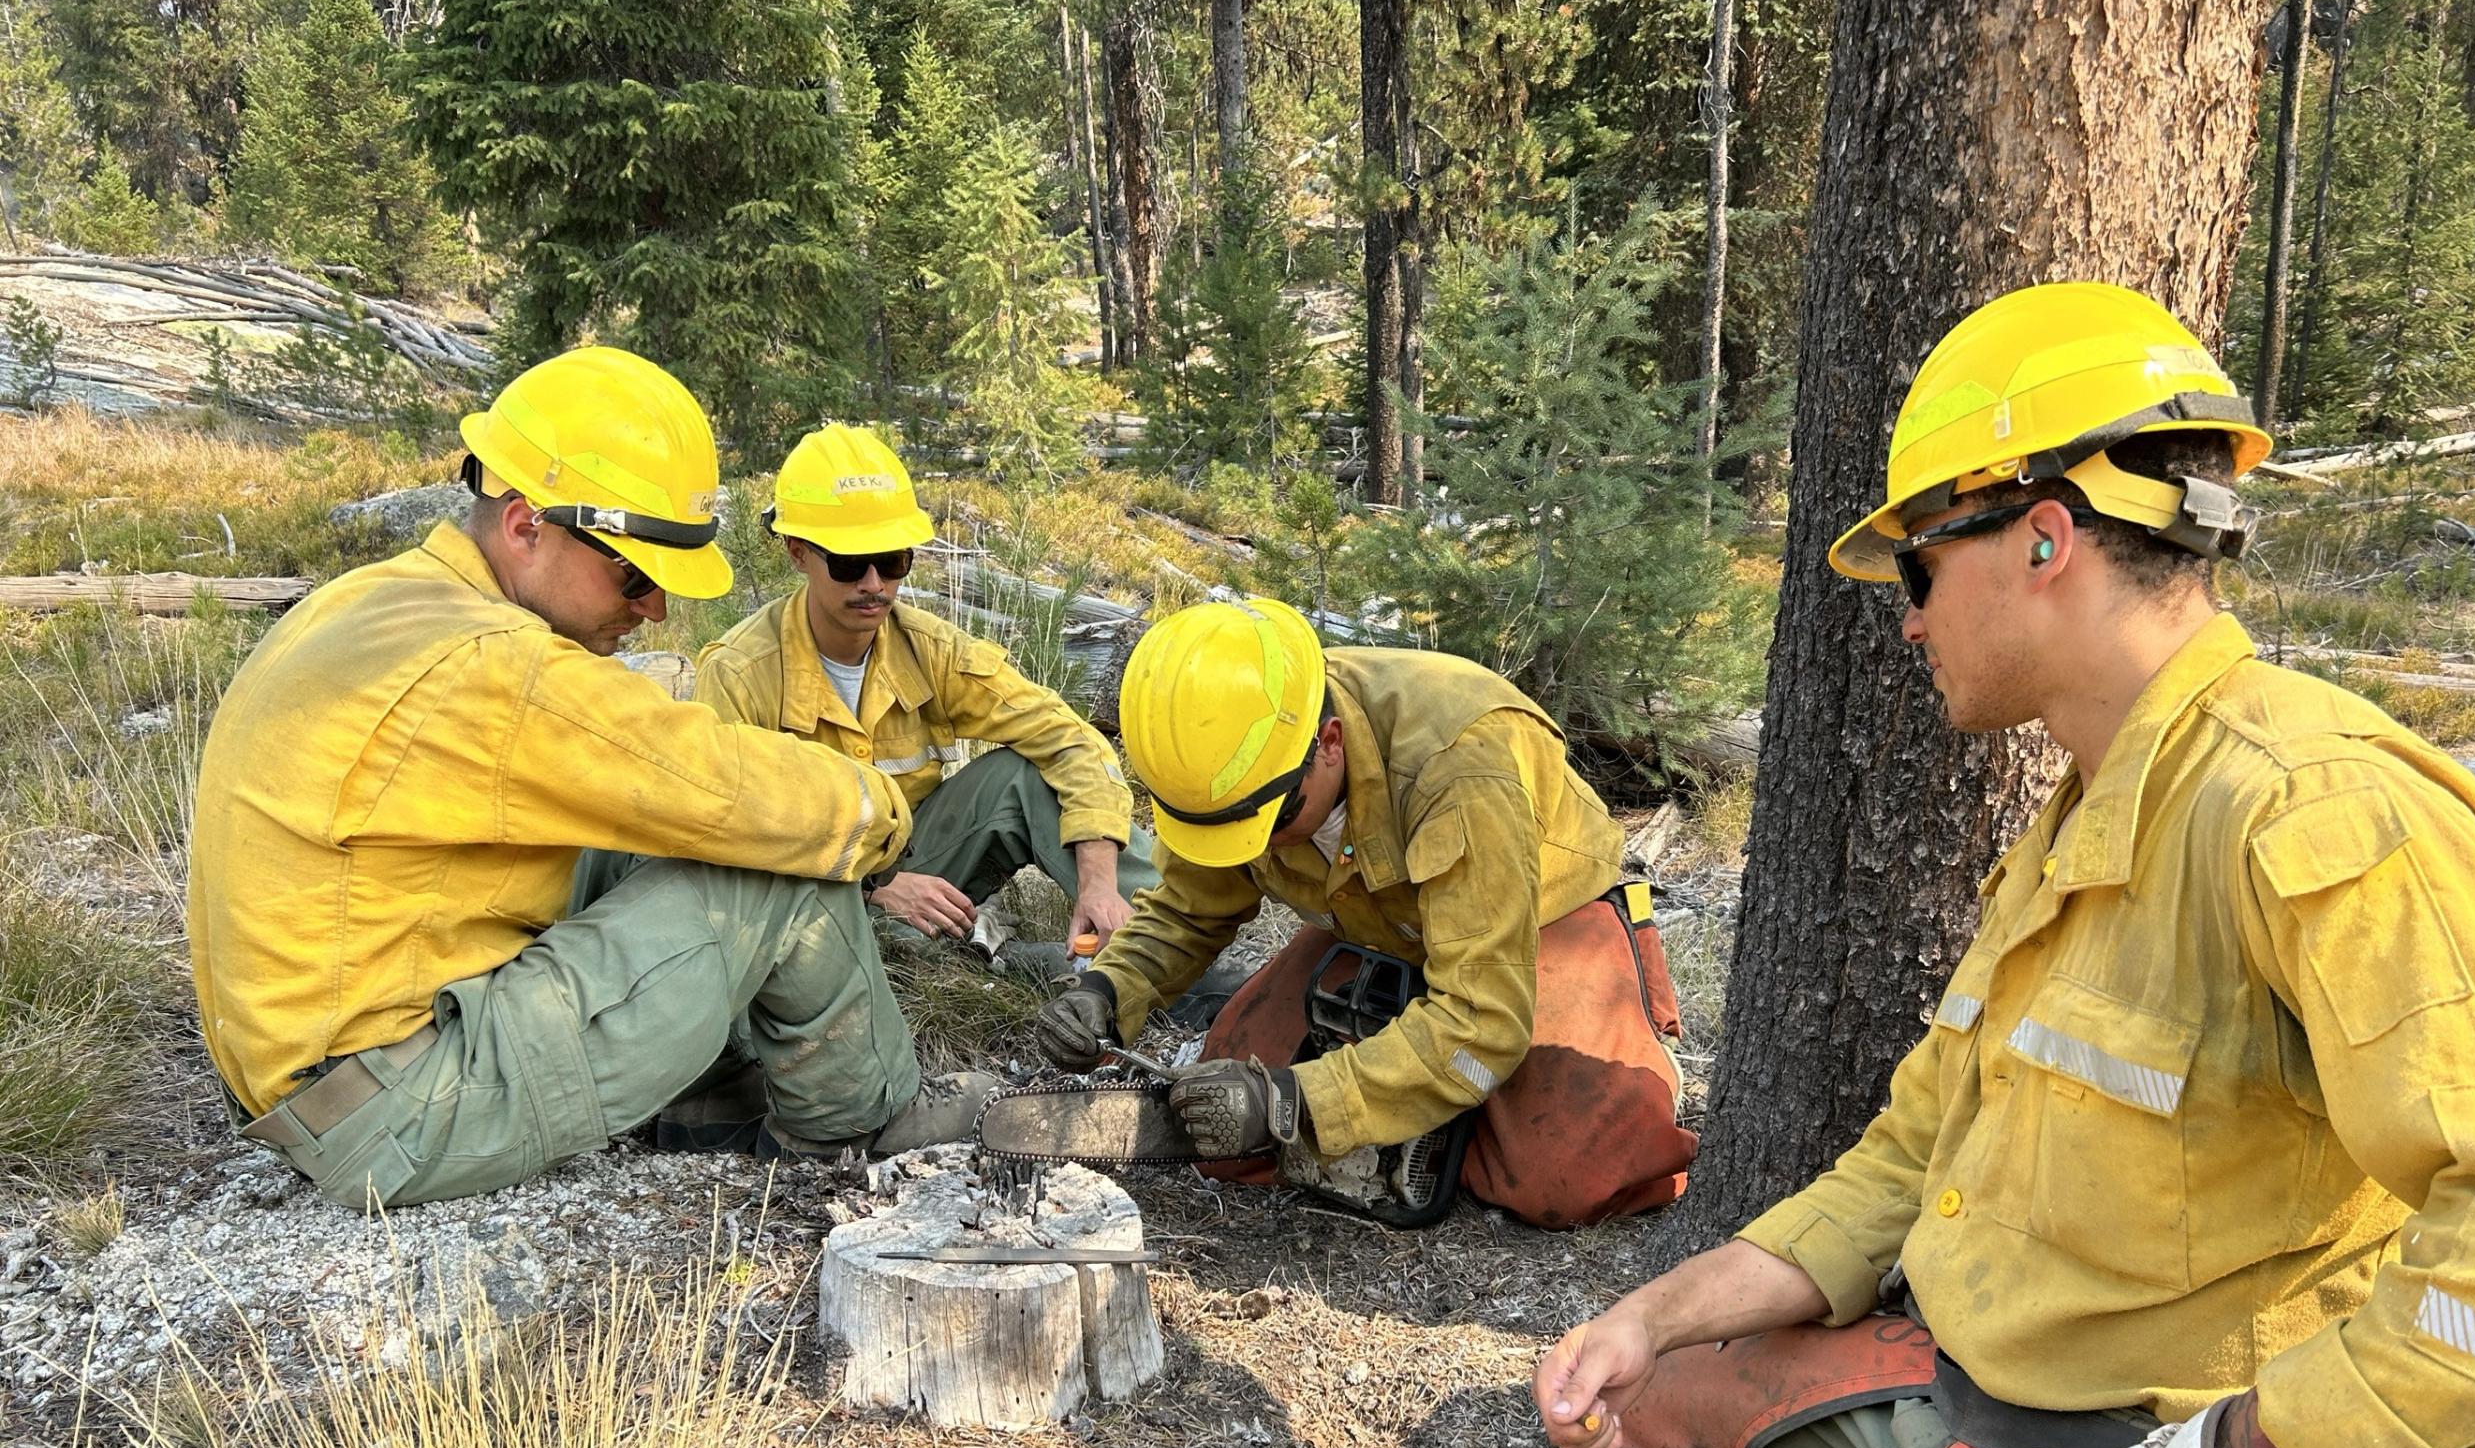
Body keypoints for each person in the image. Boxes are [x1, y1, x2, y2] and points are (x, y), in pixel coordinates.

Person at [1533, 282, 2475, 1448]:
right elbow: (1908, 1159)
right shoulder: (2090, 814)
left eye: (1917, 563)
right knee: (1640, 1411)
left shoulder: (2311, 812)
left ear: (2042, 534)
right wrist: (1659, 1315)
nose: (1903, 615)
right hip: (1974, 1394)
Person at [187, 349, 985, 1211]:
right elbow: (735, 790)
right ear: (527, 525)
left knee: (646, 837)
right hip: (401, 1113)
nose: (654, 610)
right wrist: (880, 818)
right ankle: (859, 1122)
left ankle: (703, 1091)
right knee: (792, 859)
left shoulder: (369, 604)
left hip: (318, 1079)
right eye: (635, 574)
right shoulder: (491, 663)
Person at [1035, 595, 1695, 1230]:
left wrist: (1296, 1102)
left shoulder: (1456, 766)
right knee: (1225, 1114)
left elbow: (1481, 1022)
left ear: (1328, 742)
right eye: (1224, 830)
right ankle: (1416, 1107)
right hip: (1375, 922)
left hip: (1543, 915)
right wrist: (1108, 989)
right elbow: (1187, 910)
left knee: (1571, 1177)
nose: (1254, 847)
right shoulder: (1231, 757)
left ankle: (1629, 1056)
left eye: (1271, 820)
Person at [695, 424, 1153, 957]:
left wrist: (1098, 879)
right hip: (798, 894)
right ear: (798, 553)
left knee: (1024, 776)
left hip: (914, 856)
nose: (874, 584)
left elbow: (1069, 740)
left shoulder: (931, 650)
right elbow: (730, 840)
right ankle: (996, 963)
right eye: (848, 564)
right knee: (885, 945)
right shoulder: (740, 674)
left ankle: (1170, 953)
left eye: (892, 561)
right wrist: (873, 888)